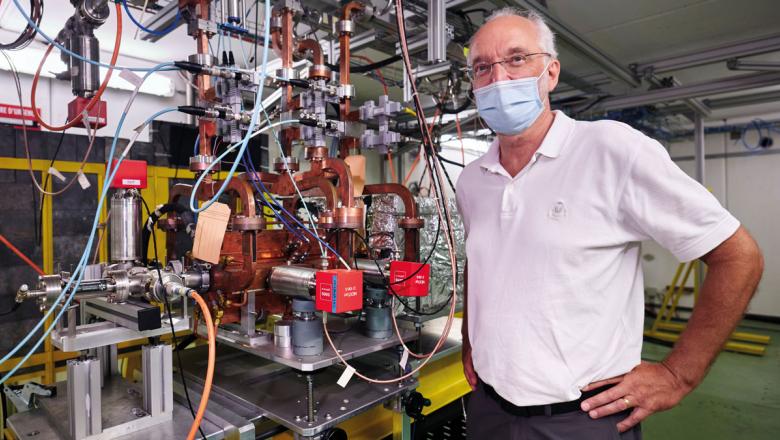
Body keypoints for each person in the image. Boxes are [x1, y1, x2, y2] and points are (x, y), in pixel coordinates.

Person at [455, 8, 764, 439]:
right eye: (482, 67)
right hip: (489, 410)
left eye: (517, 58)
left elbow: (738, 256)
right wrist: (472, 342)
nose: (499, 79)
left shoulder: (610, 150)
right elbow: (480, 261)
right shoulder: (472, 180)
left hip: (583, 418)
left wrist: (678, 374)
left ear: (551, 72)